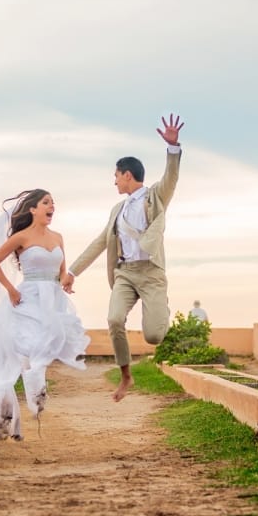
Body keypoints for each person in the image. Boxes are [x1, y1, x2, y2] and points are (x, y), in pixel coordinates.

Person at [63, 113, 184, 402]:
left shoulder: (155, 197)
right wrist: (73, 271)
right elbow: (99, 243)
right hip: (125, 274)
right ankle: (126, 375)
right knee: (114, 318)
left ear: (127, 174)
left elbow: (172, 177)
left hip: (151, 273)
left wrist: (173, 148)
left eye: (116, 175)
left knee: (154, 335)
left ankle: (160, 306)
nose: (114, 181)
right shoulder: (116, 210)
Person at [0, 189, 90, 441]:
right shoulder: (21, 237)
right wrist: (9, 289)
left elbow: (62, 271)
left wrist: (66, 282)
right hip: (27, 297)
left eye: (53, 203)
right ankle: (20, 401)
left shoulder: (58, 237)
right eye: (46, 202)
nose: (52, 207)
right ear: (33, 209)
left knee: (52, 339)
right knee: (25, 347)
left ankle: (35, 383)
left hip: (52, 299)